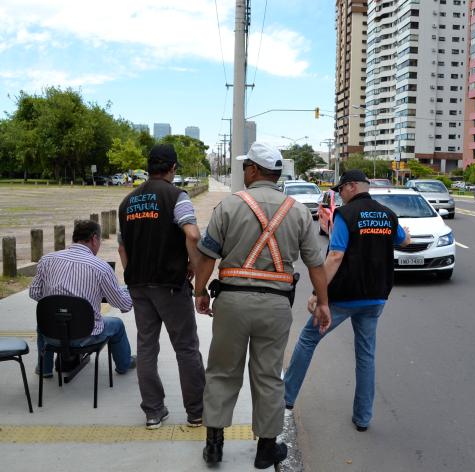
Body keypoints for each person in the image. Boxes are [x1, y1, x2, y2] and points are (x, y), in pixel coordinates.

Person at [194, 142, 331, 468]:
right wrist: (323, 303)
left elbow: (206, 257)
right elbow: (316, 265)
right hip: (276, 307)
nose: (244, 171)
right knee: (269, 376)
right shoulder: (297, 211)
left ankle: (214, 445)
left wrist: (199, 291)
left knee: (221, 372)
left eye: (245, 167)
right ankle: (266, 448)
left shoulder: (228, 206)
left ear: (254, 170)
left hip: (232, 304)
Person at [284, 169, 410, 432]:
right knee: (366, 355)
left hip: (343, 297)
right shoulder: (388, 215)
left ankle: (285, 399)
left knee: (308, 339)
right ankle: (363, 418)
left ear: (352, 187)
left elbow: (334, 256)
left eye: (340, 189)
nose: (338, 194)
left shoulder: (346, 215)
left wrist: (318, 295)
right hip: (376, 298)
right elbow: (405, 240)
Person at [118, 143, 206, 430]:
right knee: (186, 348)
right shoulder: (176, 196)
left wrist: (132, 275)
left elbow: (122, 249)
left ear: (149, 167)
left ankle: (153, 412)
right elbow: (192, 234)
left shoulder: (127, 202)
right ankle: (196, 412)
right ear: (172, 168)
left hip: (139, 285)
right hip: (169, 284)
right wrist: (194, 267)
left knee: (146, 348)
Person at [29, 220, 135, 377]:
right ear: (94, 239)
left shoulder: (47, 260)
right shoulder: (101, 267)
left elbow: (34, 293)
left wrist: (57, 303)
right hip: (85, 336)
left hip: (51, 335)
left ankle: (44, 368)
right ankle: (124, 365)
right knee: (117, 324)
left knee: (45, 321)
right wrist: (129, 292)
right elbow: (123, 304)